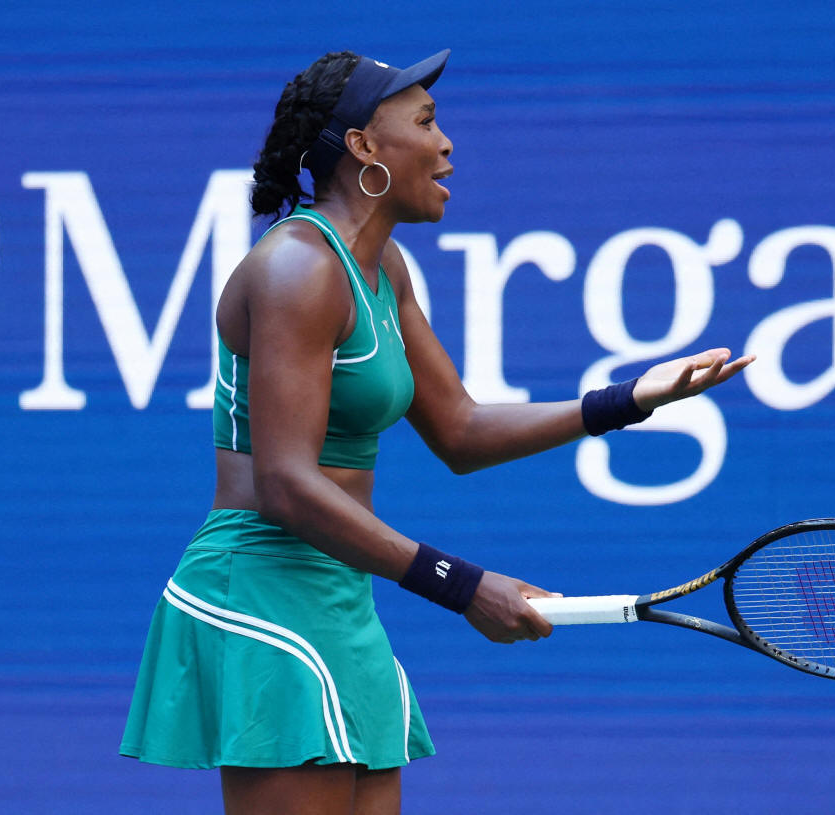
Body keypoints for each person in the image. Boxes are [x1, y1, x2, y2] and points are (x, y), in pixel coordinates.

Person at [120, 48, 753, 815]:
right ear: (364, 147)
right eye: (424, 122)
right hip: (261, 594)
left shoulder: (385, 269)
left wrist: (628, 399)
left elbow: (461, 429)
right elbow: (285, 484)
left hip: (340, 598)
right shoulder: (297, 269)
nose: (446, 142)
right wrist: (461, 584)